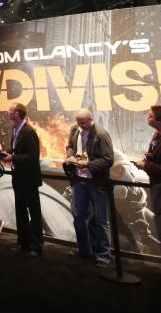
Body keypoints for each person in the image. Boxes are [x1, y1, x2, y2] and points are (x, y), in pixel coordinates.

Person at [64, 108, 114, 266]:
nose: (81, 126)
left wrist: (89, 164)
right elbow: (69, 146)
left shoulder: (102, 134)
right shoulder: (75, 129)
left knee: (101, 220)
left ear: (91, 119)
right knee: (79, 218)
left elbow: (108, 160)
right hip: (79, 180)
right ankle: (84, 250)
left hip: (96, 183)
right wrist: (70, 156)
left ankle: (104, 256)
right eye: (78, 122)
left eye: (84, 123)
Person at [1, 102, 43, 255]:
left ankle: (37, 246)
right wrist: (5, 153)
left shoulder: (29, 131)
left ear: (17, 113)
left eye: (10, 111)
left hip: (29, 178)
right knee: (20, 211)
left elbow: (32, 156)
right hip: (18, 176)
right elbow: (16, 149)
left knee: (34, 212)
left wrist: (13, 157)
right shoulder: (16, 129)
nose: (7, 112)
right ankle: (23, 243)